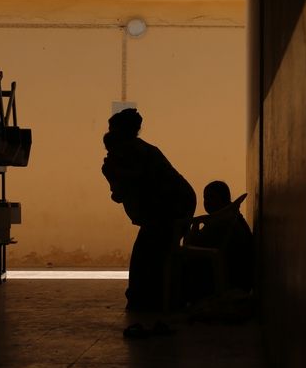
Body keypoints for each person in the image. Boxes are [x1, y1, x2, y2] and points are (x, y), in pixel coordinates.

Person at [101, 108, 196, 312]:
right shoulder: (135, 151)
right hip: (168, 208)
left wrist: (113, 174)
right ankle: (152, 299)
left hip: (171, 209)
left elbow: (123, 191)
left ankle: (149, 301)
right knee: (151, 254)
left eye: (112, 129)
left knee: (148, 256)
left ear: (122, 132)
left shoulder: (135, 153)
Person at [184, 180, 254, 300]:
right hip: (237, 279)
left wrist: (192, 229)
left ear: (224, 199)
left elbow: (193, 245)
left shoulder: (222, 222)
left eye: (211, 198)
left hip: (230, 279)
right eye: (205, 198)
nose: (207, 202)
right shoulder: (231, 218)